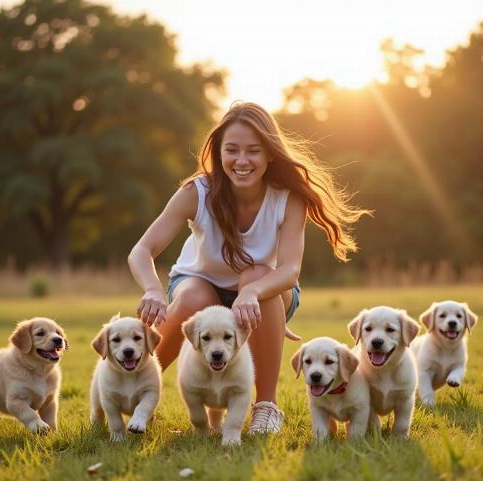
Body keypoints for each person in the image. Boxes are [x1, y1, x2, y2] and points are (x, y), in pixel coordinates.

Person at [128, 101, 366, 433]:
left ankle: (266, 408)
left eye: (253, 151)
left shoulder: (288, 197)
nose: (242, 161)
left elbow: (289, 271)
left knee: (256, 276)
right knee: (196, 300)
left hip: (267, 291)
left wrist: (251, 291)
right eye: (232, 150)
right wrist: (153, 289)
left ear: (270, 154)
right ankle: (141, 396)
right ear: (219, 152)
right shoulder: (196, 193)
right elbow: (141, 250)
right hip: (198, 284)